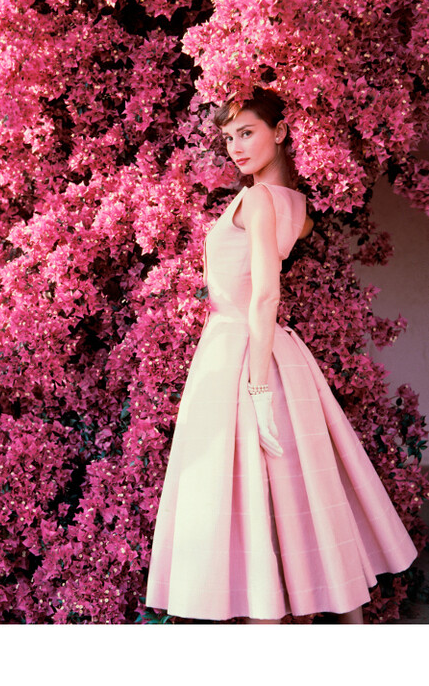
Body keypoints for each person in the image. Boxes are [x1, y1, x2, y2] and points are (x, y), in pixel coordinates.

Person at [145, 87, 418, 625]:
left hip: (241, 350)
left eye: (246, 132)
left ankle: (267, 629)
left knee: (251, 496)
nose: (236, 147)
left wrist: (256, 386)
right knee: (302, 491)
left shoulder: (259, 200)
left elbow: (266, 293)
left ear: (281, 131)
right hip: (273, 349)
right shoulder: (296, 202)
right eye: (228, 137)